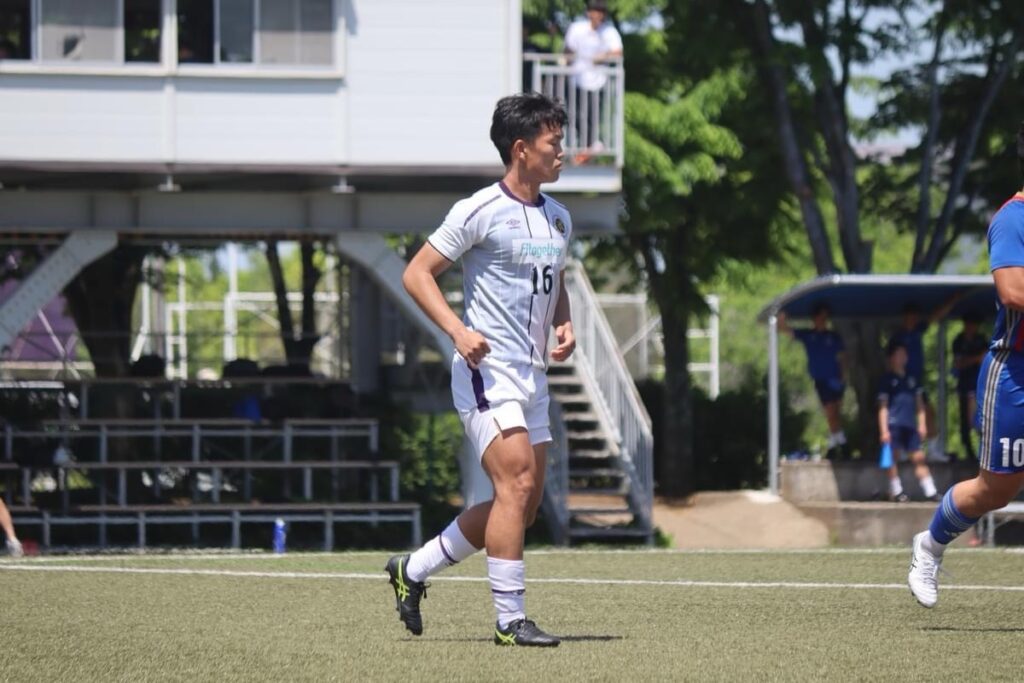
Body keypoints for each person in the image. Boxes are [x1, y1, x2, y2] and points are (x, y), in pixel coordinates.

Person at [386, 93, 573, 647]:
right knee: (515, 484)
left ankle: (412, 569)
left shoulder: (559, 217)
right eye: (553, 143)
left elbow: (555, 280)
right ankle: (510, 622)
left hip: (532, 377)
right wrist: (457, 331)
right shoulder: (478, 209)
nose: (562, 152)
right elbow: (417, 274)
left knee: (524, 504)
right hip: (486, 372)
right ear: (521, 149)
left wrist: (564, 322)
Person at [908, 122, 1024, 608]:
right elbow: (1012, 291)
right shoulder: (1012, 219)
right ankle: (930, 546)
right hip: (1014, 373)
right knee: (995, 491)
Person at [778, 304, 847, 457]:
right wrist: (781, 319)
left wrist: (843, 375)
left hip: (835, 379)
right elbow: (785, 330)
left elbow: (842, 357)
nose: (823, 320)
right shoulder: (808, 335)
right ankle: (841, 443)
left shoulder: (833, 336)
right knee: (830, 411)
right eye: (820, 317)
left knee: (836, 412)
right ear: (815, 319)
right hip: (821, 379)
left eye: (825, 317)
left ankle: (835, 444)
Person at [878, 341, 938, 502]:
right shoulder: (886, 380)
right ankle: (896, 490)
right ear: (891, 358)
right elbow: (883, 407)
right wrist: (884, 430)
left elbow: (920, 404)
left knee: (918, 457)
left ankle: (930, 491)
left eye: (904, 354)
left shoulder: (912, 379)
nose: (902, 358)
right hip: (893, 424)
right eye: (898, 354)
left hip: (910, 424)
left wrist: (922, 424)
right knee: (892, 457)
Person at [563, 0, 622, 163]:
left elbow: (618, 52)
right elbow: (568, 50)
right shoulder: (577, 28)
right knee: (571, 114)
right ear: (588, 13)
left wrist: (603, 57)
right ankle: (590, 145)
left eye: (600, 12)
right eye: (594, 11)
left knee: (591, 116)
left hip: (597, 82)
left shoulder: (609, 32)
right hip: (576, 79)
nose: (596, 15)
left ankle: (590, 145)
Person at [951, 311, 987, 460]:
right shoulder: (958, 341)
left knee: (983, 419)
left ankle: (984, 452)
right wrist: (976, 358)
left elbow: (987, 358)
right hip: (965, 385)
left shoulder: (981, 340)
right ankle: (969, 452)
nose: (972, 327)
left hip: (981, 385)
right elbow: (959, 364)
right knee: (965, 420)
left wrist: (978, 359)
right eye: (970, 323)